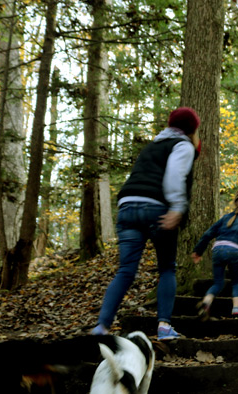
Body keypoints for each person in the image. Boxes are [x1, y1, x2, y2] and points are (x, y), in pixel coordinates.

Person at [92, 107, 201, 340]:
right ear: (192, 129)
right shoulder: (183, 145)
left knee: (125, 271)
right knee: (167, 269)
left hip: (127, 207)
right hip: (156, 209)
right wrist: (177, 207)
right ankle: (163, 327)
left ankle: (101, 327)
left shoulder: (151, 146)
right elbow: (174, 175)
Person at [191, 188, 238, 320]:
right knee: (237, 281)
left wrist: (198, 251)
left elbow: (208, 234)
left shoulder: (226, 218)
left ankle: (206, 302)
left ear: (236, 202)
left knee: (218, 283)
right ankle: (236, 309)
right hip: (234, 250)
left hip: (217, 249)